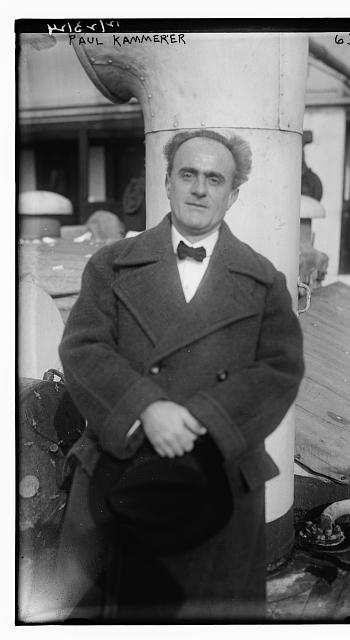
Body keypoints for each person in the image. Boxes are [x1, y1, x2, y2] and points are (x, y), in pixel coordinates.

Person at [56, 129, 304, 622]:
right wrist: (145, 408)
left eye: (215, 179)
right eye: (188, 174)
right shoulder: (111, 265)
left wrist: (203, 419)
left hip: (219, 480)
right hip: (119, 467)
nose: (199, 189)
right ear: (167, 182)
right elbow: (82, 349)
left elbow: (280, 370)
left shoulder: (264, 280)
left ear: (233, 195)